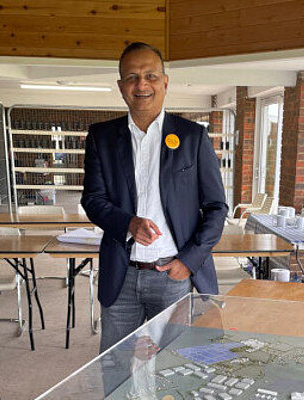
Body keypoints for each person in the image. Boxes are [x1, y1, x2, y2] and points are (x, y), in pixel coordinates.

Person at [81, 42, 228, 352]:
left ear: (165, 82)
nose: (141, 84)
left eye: (150, 75)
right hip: (121, 275)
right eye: (132, 77)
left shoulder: (193, 137)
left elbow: (216, 208)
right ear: (121, 86)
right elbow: (93, 199)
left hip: (173, 275)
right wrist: (128, 223)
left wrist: (189, 261)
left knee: (175, 364)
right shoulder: (101, 137)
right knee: (117, 364)